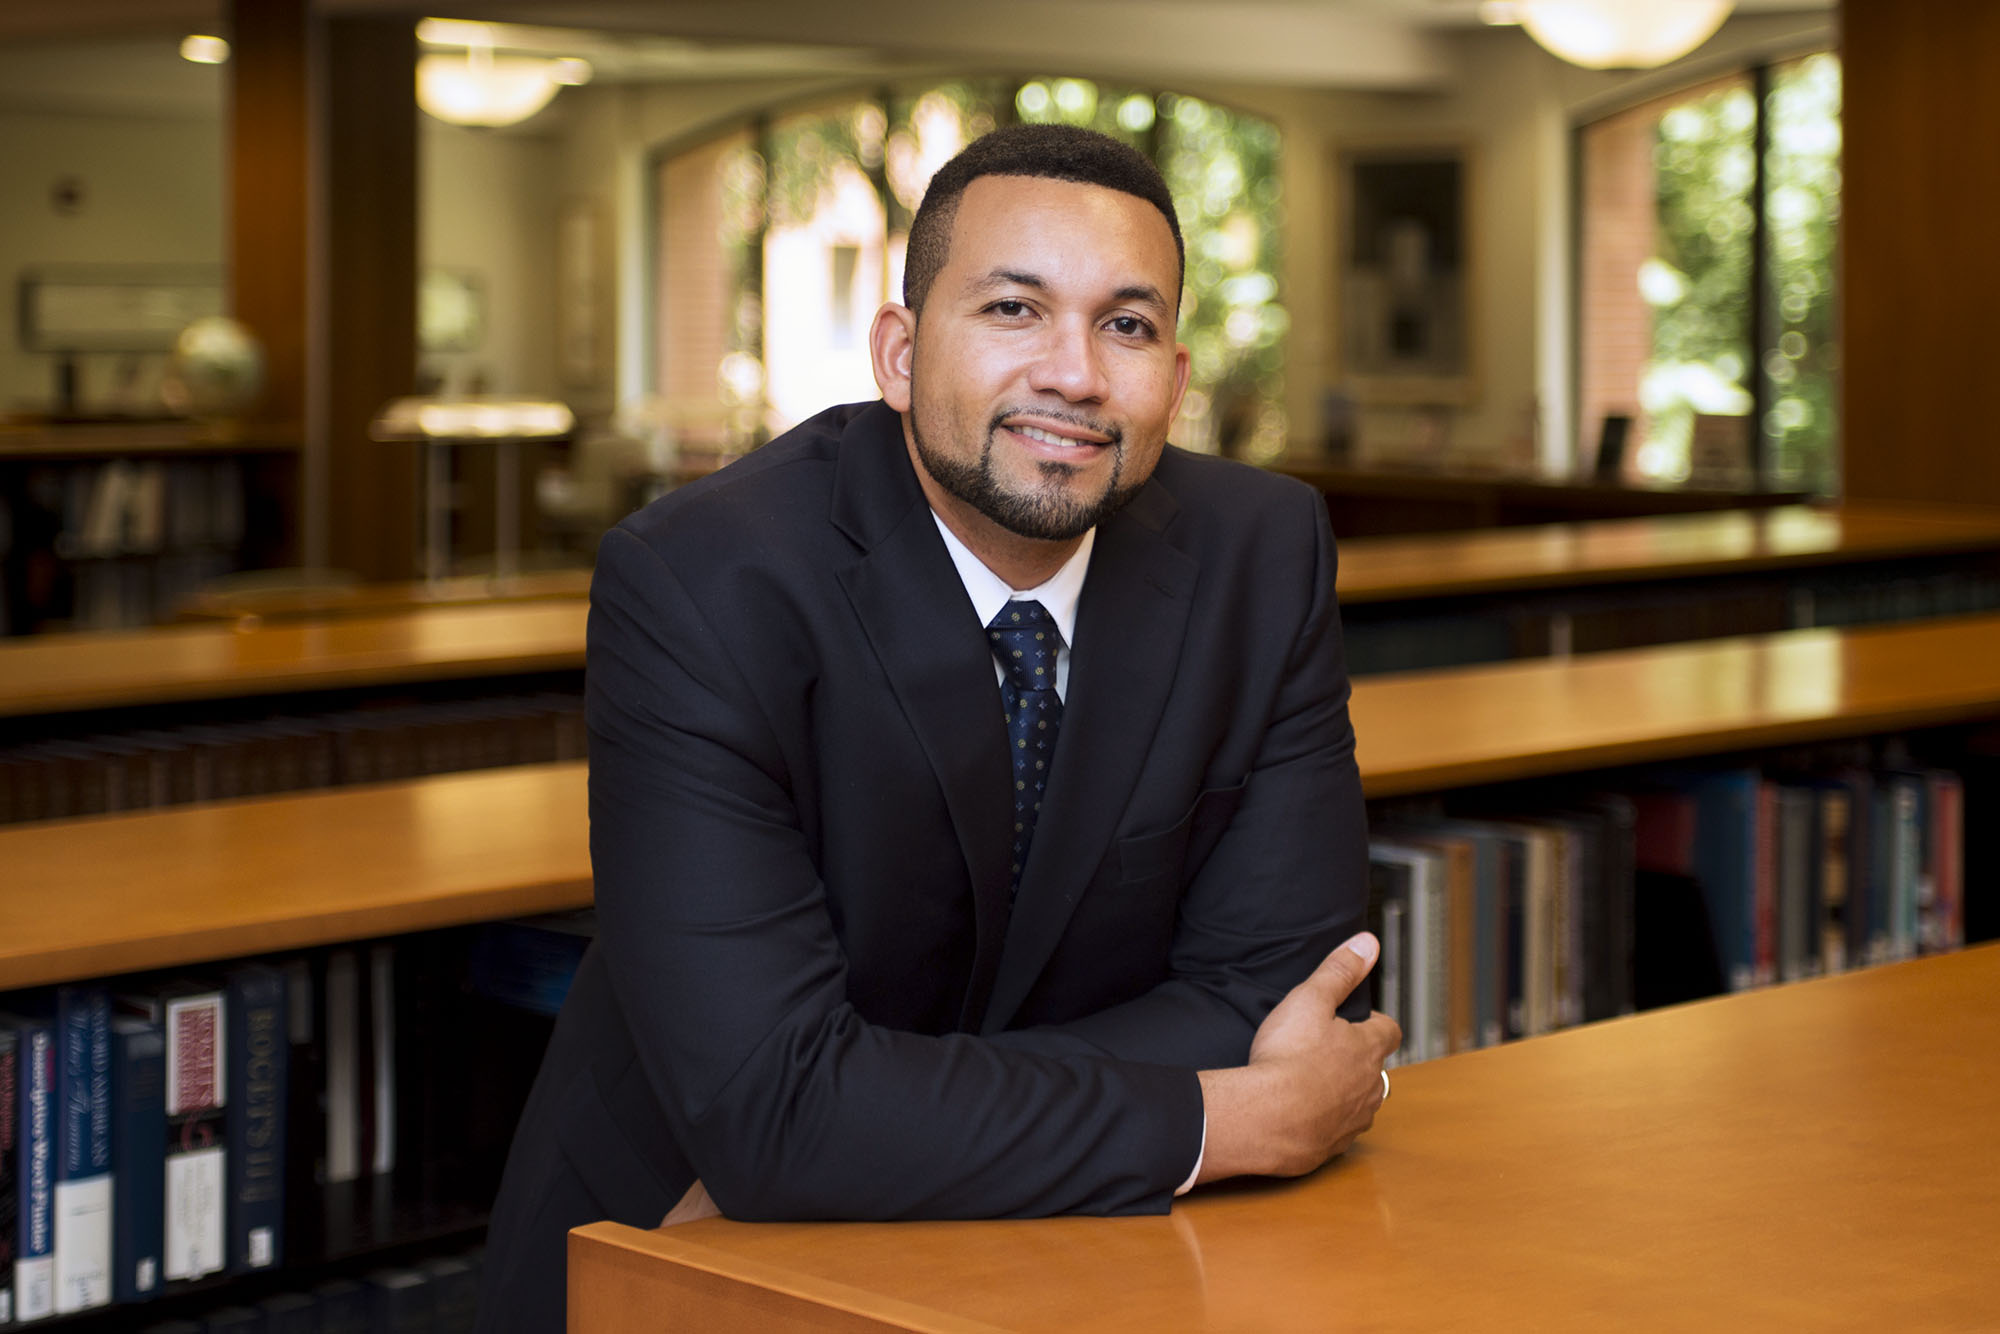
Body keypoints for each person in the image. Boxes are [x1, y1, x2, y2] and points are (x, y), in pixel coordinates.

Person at [476, 123, 1400, 1332]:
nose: (1072, 373)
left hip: (1092, 1263)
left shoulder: (1259, 552)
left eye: (1124, 325)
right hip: (686, 1256)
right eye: (1014, 310)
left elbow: (1268, 990)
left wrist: (877, 1123)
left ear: (1172, 379)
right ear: (900, 355)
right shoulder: (705, 581)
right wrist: (1219, 1116)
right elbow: (773, 1110)